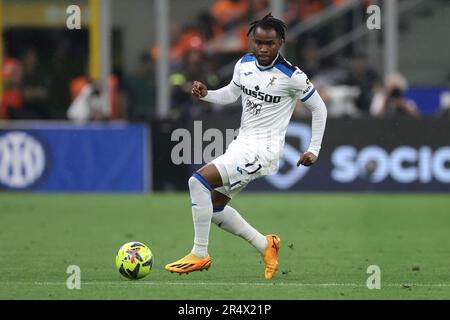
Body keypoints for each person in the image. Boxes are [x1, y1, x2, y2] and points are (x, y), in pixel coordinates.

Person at [165, 13, 328, 280]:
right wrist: (208, 95)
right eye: (258, 42)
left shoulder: (292, 76)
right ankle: (266, 245)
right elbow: (232, 93)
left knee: (198, 182)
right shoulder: (245, 64)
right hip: (241, 145)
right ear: (252, 41)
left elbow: (319, 109)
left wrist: (314, 149)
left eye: (270, 44)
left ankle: (199, 253)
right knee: (214, 208)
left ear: (280, 43)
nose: (263, 48)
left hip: (263, 152)